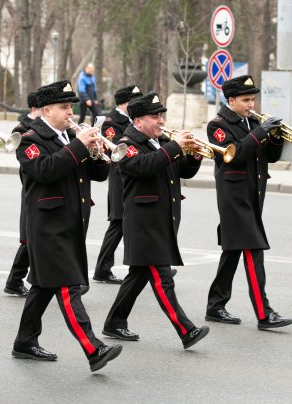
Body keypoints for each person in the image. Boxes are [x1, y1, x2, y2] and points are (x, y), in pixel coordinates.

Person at [11, 80, 122, 372]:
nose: (69, 112)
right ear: (46, 109)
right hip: (47, 225)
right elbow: (45, 171)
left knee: (42, 286)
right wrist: (78, 145)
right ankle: (93, 348)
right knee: (67, 287)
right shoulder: (30, 137)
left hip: (69, 223)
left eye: (70, 106)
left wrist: (98, 152)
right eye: (63, 107)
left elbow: (96, 175)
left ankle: (24, 341)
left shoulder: (68, 138)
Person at [102, 92, 210, 349]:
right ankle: (186, 330)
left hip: (158, 220)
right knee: (162, 279)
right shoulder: (126, 144)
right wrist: (175, 147)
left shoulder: (157, 142)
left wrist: (194, 155)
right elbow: (143, 166)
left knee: (138, 275)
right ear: (138, 121)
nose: (161, 121)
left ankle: (114, 322)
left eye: (161, 115)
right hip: (143, 223)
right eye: (155, 116)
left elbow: (181, 171)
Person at [204, 75, 292, 329]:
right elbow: (236, 155)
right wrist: (260, 132)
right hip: (233, 197)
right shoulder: (217, 125)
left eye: (253, 99)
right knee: (254, 249)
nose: (251, 104)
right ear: (231, 100)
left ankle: (215, 305)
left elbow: (271, 157)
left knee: (232, 251)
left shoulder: (253, 122)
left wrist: (275, 136)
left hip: (253, 195)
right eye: (245, 100)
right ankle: (264, 313)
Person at [92, 85, 144, 284]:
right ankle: (102, 269)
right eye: (134, 101)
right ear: (123, 103)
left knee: (134, 223)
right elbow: (119, 147)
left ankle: (148, 266)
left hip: (133, 176)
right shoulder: (111, 122)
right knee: (118, 223)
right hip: (120, 177)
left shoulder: (131, 119)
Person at [4, 91, 40, 297]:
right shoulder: (22, 128)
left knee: (32, 238)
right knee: (29, 238)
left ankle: (15, 280)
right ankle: (15, 280)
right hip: (31, 183)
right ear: (34, 109)